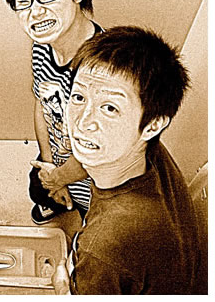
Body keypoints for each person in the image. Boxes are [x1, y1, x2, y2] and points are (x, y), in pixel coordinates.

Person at [52, 26, 200, 294]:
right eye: (79, 97)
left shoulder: (104, 246)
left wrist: (62, 286)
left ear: (153, 125)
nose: (83, 122)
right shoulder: (151, 151)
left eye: (109, 108)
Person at [0, 0, 102, 223]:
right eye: (23, 1)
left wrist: (60, 178)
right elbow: (43, 104)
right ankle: (50, 202)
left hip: (91, 181)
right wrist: (49, 166)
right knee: (38, 187)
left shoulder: (103, 70)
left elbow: (100, 151)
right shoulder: (42, 45)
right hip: (55, 163)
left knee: (90, 223)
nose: (35, 11)